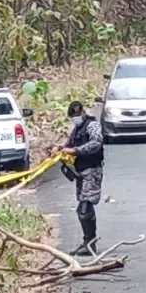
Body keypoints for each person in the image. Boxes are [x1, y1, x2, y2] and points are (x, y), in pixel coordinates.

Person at [60, 100, 104, 256]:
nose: (76, 118)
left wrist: (75, 151)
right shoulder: (76, 130)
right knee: (82, 208)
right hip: (81, 172)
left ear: (83, 113)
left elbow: (96, 143)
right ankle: (87, 242)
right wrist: (59, 150)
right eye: (73, 116)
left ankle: (90, 244)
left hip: (92, 170)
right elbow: (67, 145)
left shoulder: (92, 126)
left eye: (77, 115)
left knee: (85, 208)